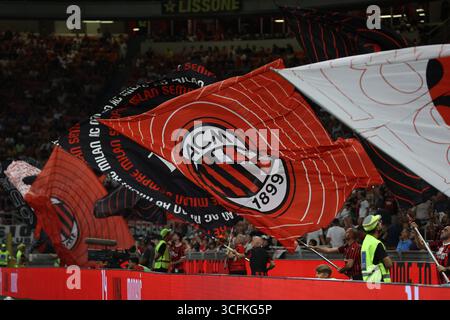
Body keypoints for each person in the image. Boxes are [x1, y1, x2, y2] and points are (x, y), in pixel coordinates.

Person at [361, 215, 393, 283]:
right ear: (377, 227)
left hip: (368, 281)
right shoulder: (376, 243)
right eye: (379, 222)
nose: (381, 223)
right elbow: (389, 264)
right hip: (379, 282)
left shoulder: (365, 242)